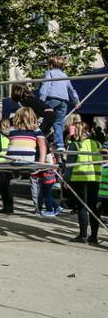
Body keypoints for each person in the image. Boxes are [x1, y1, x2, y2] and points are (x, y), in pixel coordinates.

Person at [64, 115, 101, 245]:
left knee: (82, 207)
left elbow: (69, 166)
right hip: (95, 179)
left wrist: (65, 180)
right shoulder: (97, 144)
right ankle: (94, 236)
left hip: (79, 179)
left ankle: (83, 235)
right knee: (93, 206)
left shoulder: (75, 145)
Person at [39, 56, 79, 153]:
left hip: (52, 98)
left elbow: (46, 85)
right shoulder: (65, 76)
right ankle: (60, 144)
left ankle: (39, 134)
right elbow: (71, 90)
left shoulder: (50, 73)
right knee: (58, 123)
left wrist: (41, 99)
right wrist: (76, 101)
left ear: (51, 65)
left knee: (41, 114)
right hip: (64, 101)